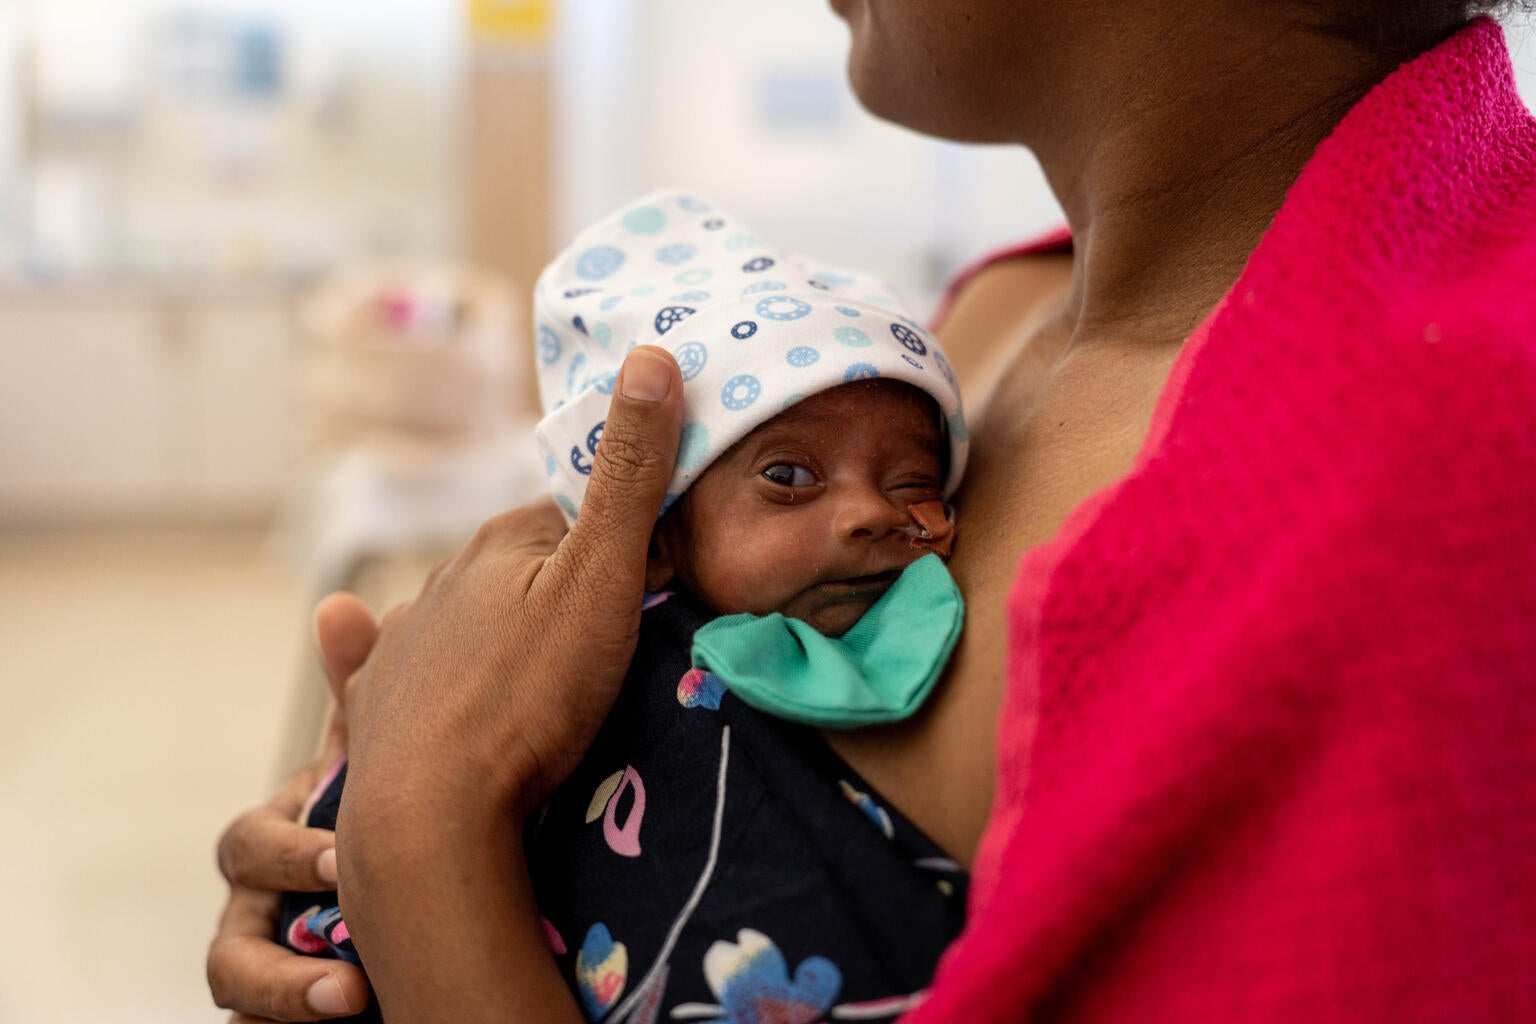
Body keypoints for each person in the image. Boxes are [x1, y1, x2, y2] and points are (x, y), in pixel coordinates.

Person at [209, 2, 1536, 1022]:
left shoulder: (1431, 503)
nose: (879, 512)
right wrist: (357, 852)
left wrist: (424, 847)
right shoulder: (996, 320)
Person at [275, 193, 974, 1022]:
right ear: (659, 531)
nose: (867, 514)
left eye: (911, 484)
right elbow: (346, 882)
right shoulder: (565, 659)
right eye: (789, 478)